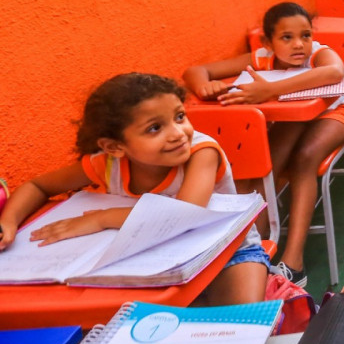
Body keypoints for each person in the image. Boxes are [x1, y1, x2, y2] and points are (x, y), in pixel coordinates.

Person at [0, 73, 269, 305]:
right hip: (150, 259)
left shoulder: (201, 152)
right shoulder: (106, 165)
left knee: (238, 324)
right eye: (154, 128)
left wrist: (102, 218)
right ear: (115, 147)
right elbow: (38, 185)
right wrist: (8, 223)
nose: (177, 133)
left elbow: (184, 213)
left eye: (179, 117)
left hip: (229, 251)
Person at [183, 1, 344, 288]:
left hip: (334, 114)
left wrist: (269, 90)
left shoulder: (318, 54)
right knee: (265, 165)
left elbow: (334, 73)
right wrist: (205, 87)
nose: (299, 44)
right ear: (268, 42)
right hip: (290, 120)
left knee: (304, 158)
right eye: (286, 37)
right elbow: (196, 70)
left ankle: (294, 261)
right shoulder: (262, 58)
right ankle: (258, 247)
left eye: (305, 35)